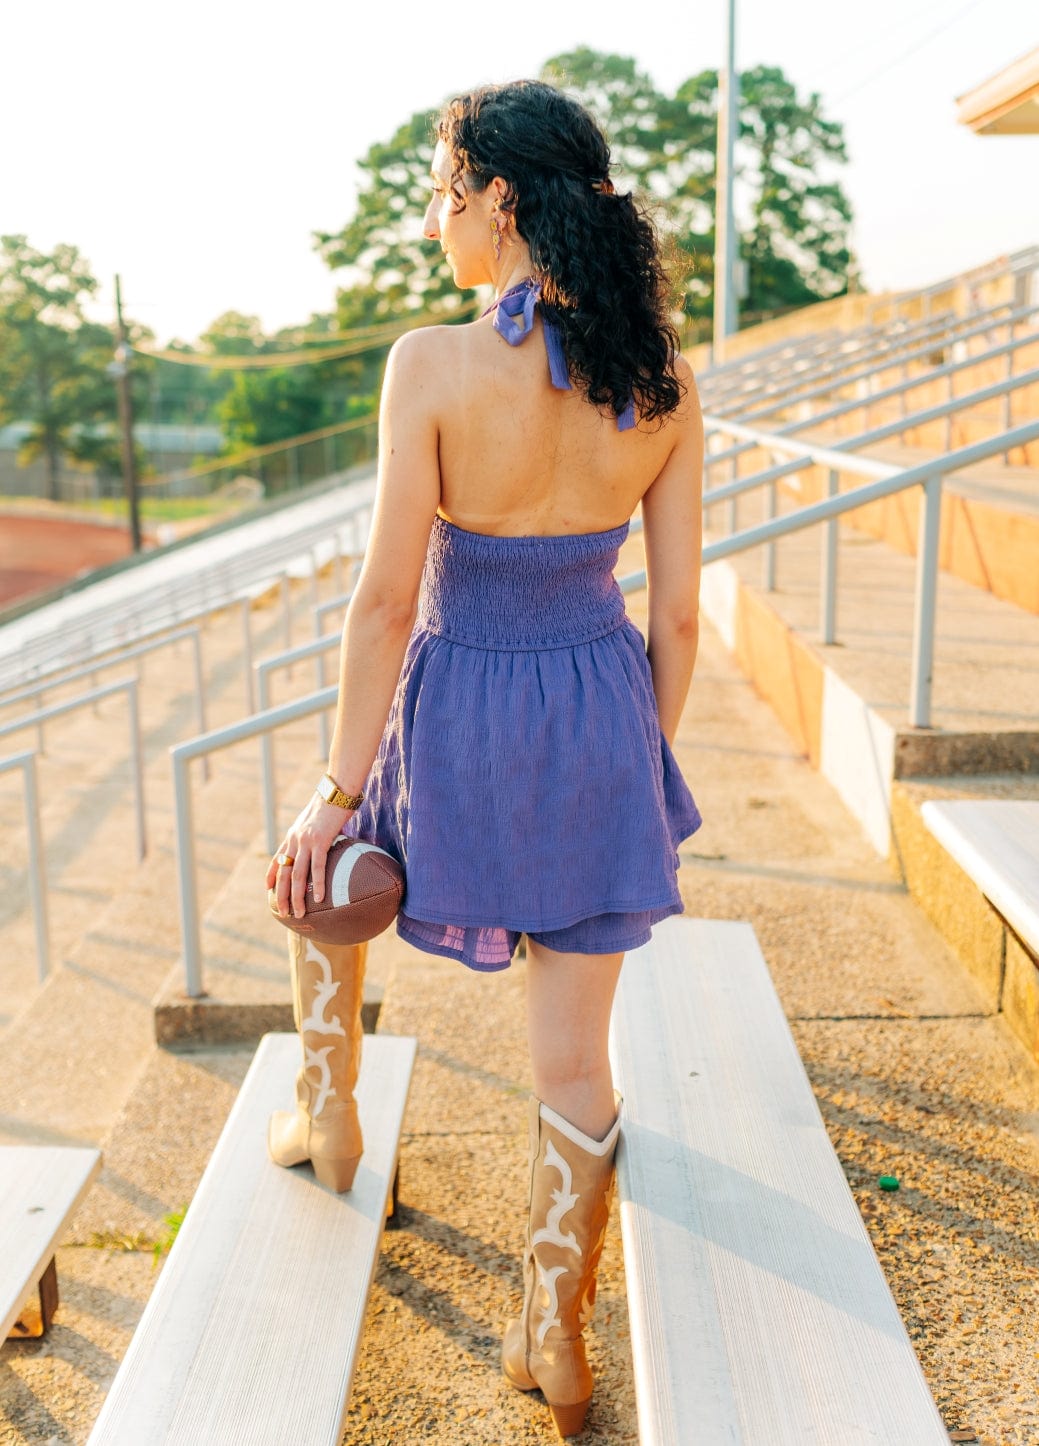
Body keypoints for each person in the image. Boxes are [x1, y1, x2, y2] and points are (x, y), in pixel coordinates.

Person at [265, 78, 704, 1439]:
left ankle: (328, 1112)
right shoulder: (664, 377)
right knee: (576, 1060)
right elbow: (680, 614)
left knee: (318, 866)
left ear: (502, 199)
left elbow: (388, 602)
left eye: (448, 188)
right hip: (599, 717)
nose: (439, 214)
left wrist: (338, 790)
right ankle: (553, 1332)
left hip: (451, 712)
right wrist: (636, 765)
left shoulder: (433, 363)